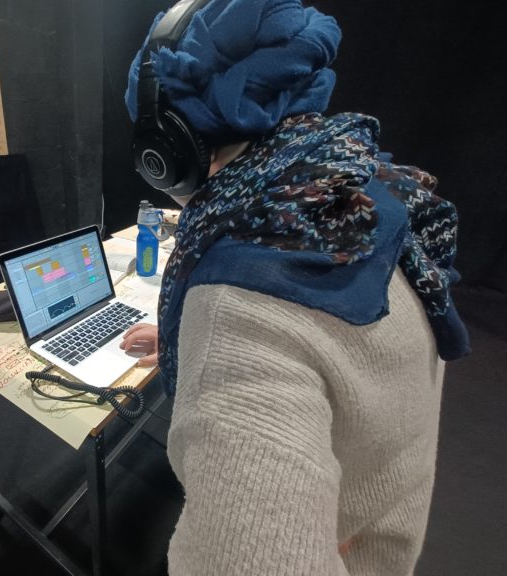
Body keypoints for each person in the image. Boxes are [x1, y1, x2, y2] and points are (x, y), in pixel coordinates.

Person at [118, 0, 470, 574]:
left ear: (166, 151)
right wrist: (185, 339)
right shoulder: (366, 188)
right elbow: (340, 356)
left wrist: (218, 342)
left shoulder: (237, 312)